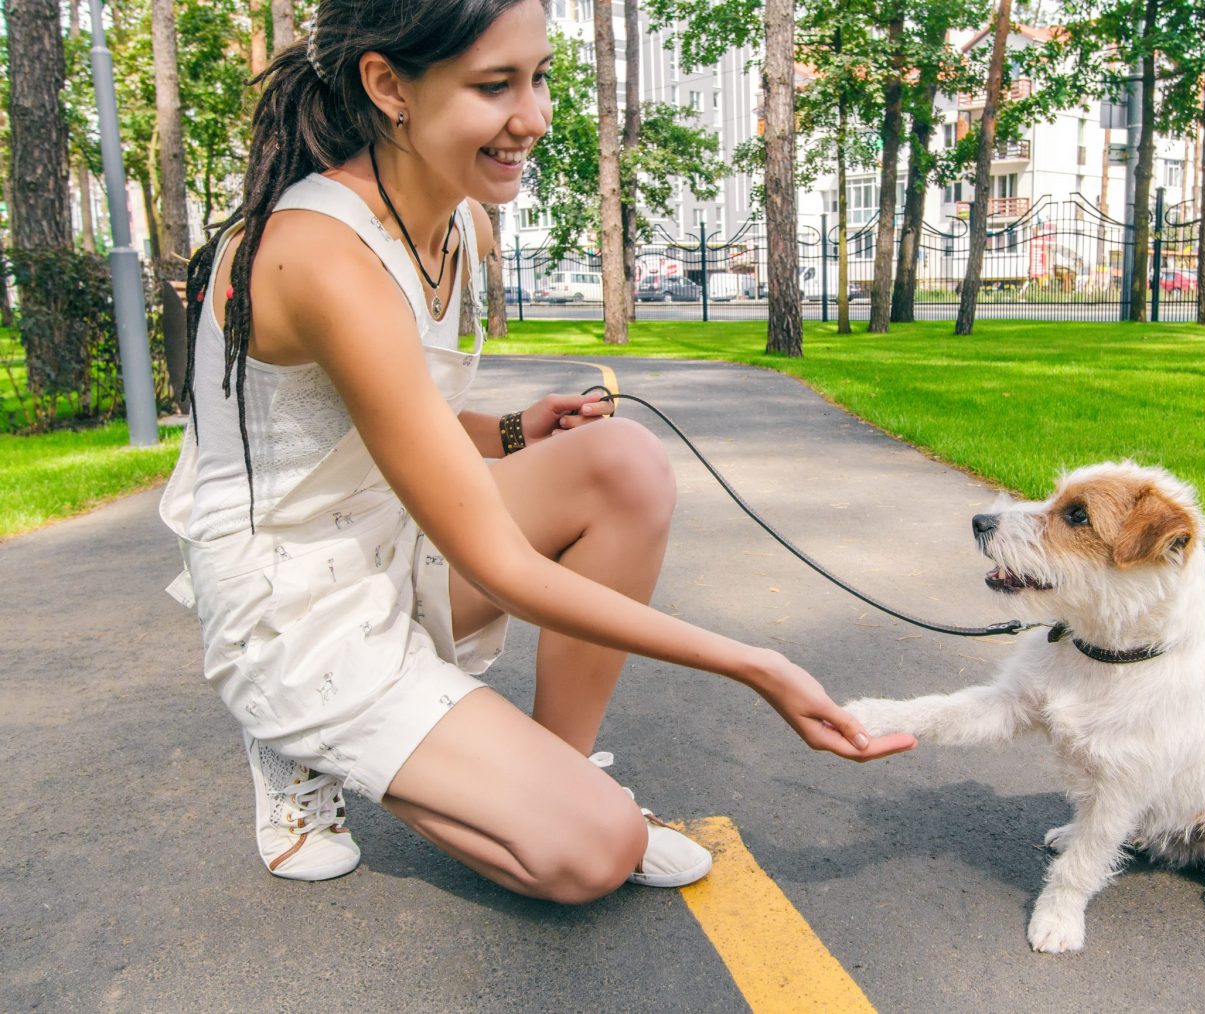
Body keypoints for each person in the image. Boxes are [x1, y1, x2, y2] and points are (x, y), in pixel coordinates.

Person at [159, 0, 915, 903]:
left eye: (540, 76)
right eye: (495, 85)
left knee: (622, 464)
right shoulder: (319, 254)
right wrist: (756, 663)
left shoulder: (462, 223)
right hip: (297, 601)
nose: (535, 115)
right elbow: (502, 566)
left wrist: (517, 430)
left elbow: (389, 421)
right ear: (388, 84)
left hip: (393, 539)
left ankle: (561, 773)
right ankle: (296, 732)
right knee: (591, 857)